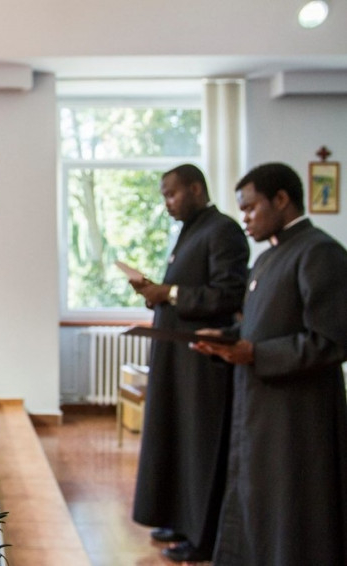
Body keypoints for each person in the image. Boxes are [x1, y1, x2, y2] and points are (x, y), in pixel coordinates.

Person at [192, 162, 347, 565]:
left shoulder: (319, 252)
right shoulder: (265, 259)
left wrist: (256, 355)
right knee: (255, 503)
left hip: (298, 418)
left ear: (281, 199)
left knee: (292, 512)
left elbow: (331, 341)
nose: (244, 218)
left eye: (250, 207)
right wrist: (224, 339)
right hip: (260, 407)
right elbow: (259, 326)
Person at [129, 164, 249, 562]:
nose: (167, 203)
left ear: (196, 189)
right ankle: (181, 522)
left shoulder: (223, 230)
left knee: (202, 450)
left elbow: (227, 295)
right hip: (176, 360)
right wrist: (157, 294)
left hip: (202, 362)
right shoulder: (190, 231)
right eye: (164, 196)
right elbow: (182, 291)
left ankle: (204, 537)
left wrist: (171, 293)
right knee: (178, 441)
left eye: (172, 193)